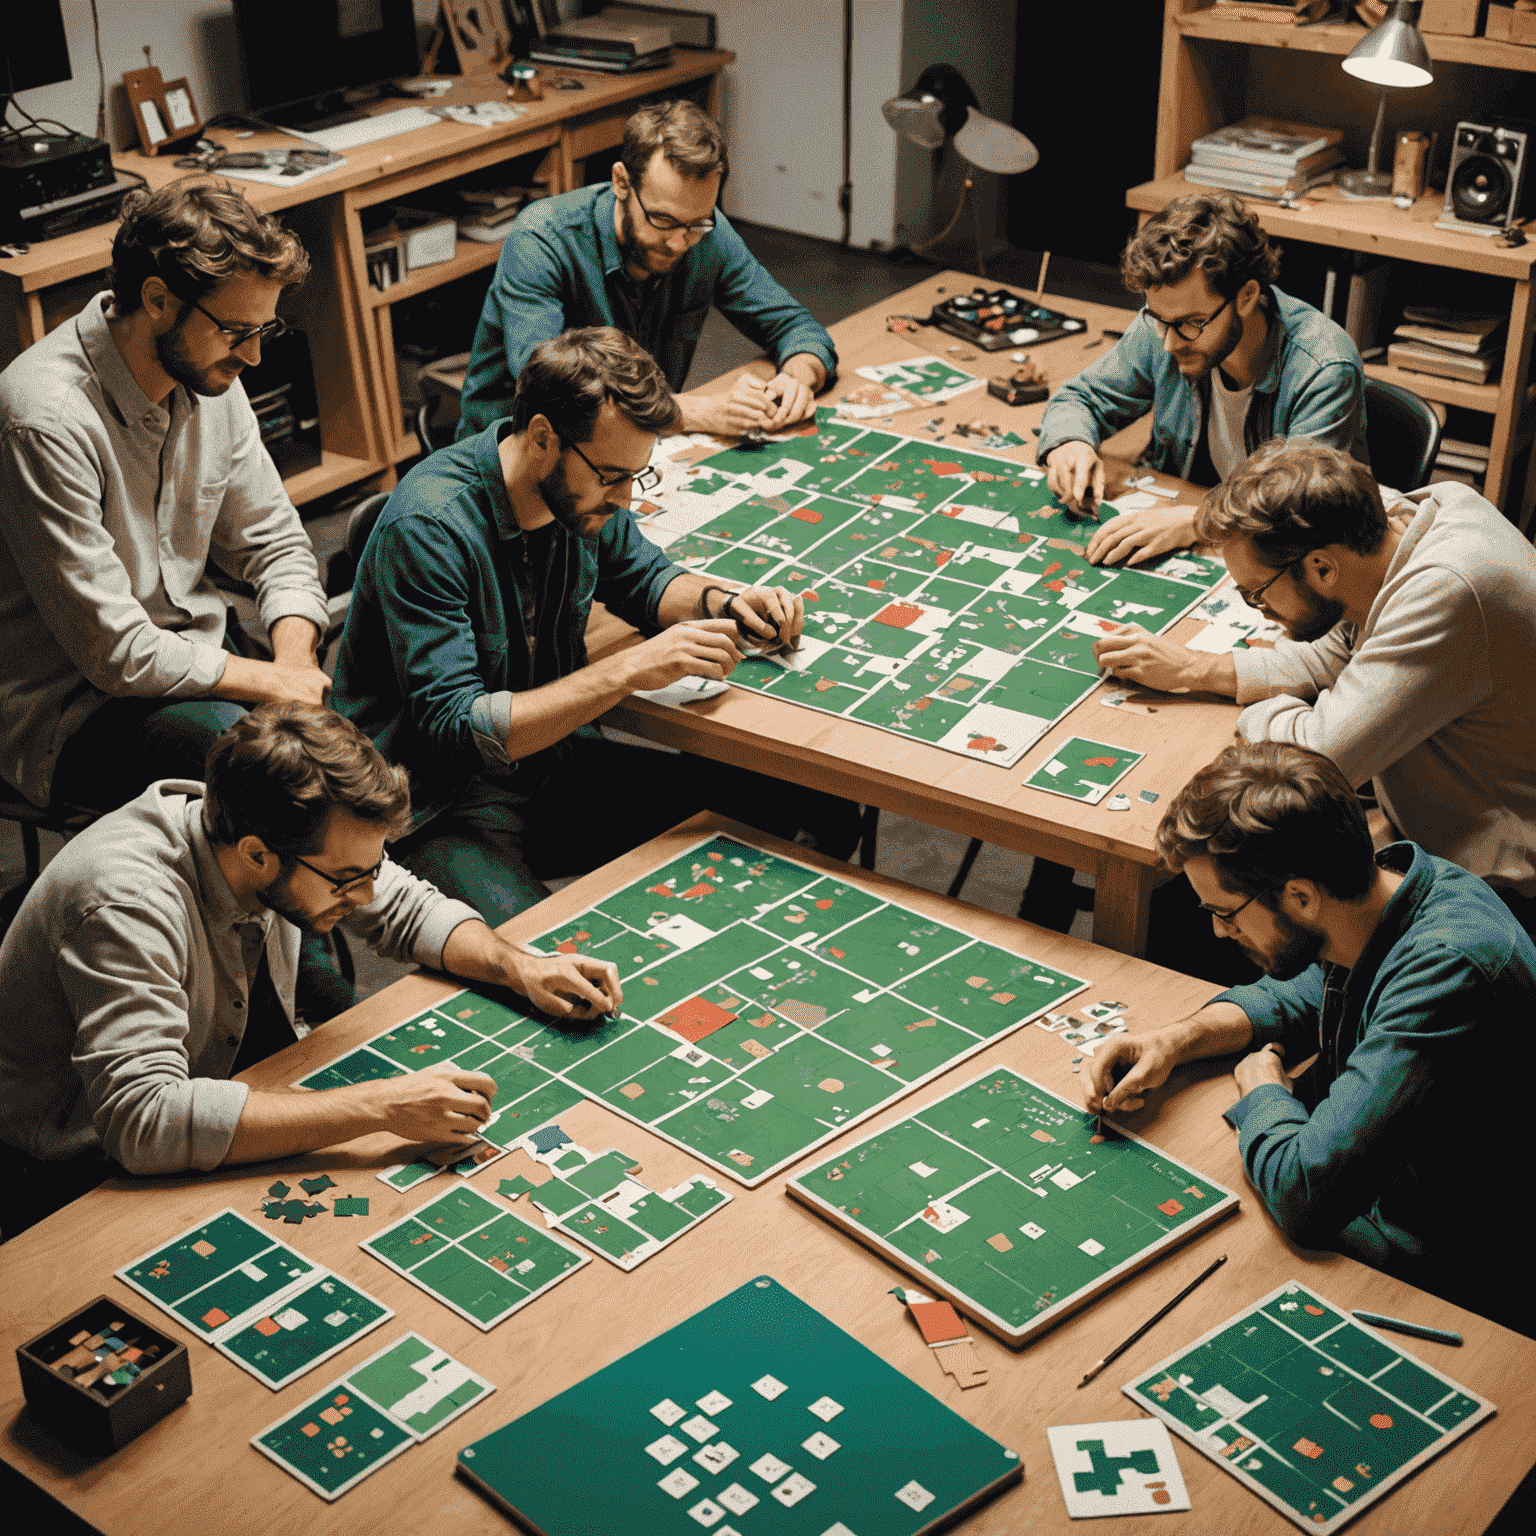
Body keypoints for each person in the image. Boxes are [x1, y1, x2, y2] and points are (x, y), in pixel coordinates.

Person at [0, 703, 620, 1233]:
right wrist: (382, 1107)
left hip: (212, 1088)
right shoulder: (125, 904)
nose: (369, 894)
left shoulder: (267, 837)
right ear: (257, 855)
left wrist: (519, 967)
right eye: (349, 879)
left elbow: (405, 907)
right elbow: (145, 1122)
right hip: (70, 1174)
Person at [331, 326, 857, 924]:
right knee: (549, 968)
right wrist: (628, 671)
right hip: (434, 806)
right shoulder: (429, 527)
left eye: (636, 476)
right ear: (542, 438)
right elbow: (460, 730)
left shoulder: (578, 495)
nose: (626, 499)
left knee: (793, 797)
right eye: (612, 476)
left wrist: (727, 602)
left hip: (549, 766)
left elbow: (647, 581)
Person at [1084, 740, 1534, 1330]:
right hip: (1391, 1209)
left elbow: (1307, 1196)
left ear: (1299, 895)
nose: (1220, 934)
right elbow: (1303, 990)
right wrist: (1176, 1040)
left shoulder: (1449, 969)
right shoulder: (1377, 898)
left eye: (1225, 912)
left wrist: (1262, 1093)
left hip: (1460, 1280)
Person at [1092, 438, 1536, 932]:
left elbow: (1317, 759)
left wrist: (1258, 712)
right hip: (1424, 815)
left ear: (1322, 567)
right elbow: (1336, 654)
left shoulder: (1448, 590)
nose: (1258, 611)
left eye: (1257, 595)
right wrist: (1197, 669)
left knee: (1201, 896)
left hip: (1494, 889)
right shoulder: (1397, 526)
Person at [0, 179, 332, 818]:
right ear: (157, 299)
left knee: (332, 748)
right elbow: (116, 654)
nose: (256, 356)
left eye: (265, 327)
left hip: (197, 653)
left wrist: (294, 662)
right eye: (238, 330)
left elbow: (277, 542)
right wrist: (272, 682)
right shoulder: (44, 417)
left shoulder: (210, 374)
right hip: (71, 709)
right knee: (276, 784)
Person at [456, 99, 836, 441]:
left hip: (629, 443)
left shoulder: (705, 235)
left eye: (697, 223)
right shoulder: (541, 239)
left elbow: (796, 327)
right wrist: (691, 411)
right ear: (622, 182)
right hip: (515, 454)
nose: (679, 242)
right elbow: (552, 391)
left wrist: (797, 378)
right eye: (663, 220)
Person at [1036, 192, 1367, 569]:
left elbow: (1297, 508)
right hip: (1194, 527)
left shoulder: (1323, 369)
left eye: (1192, 323)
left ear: (1246, 296)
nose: (1169, 341)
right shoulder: (1168, 322)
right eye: (1159, 320)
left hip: (1286, 558)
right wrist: (1070, 444)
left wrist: (1197, 520)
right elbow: (1080, 399)